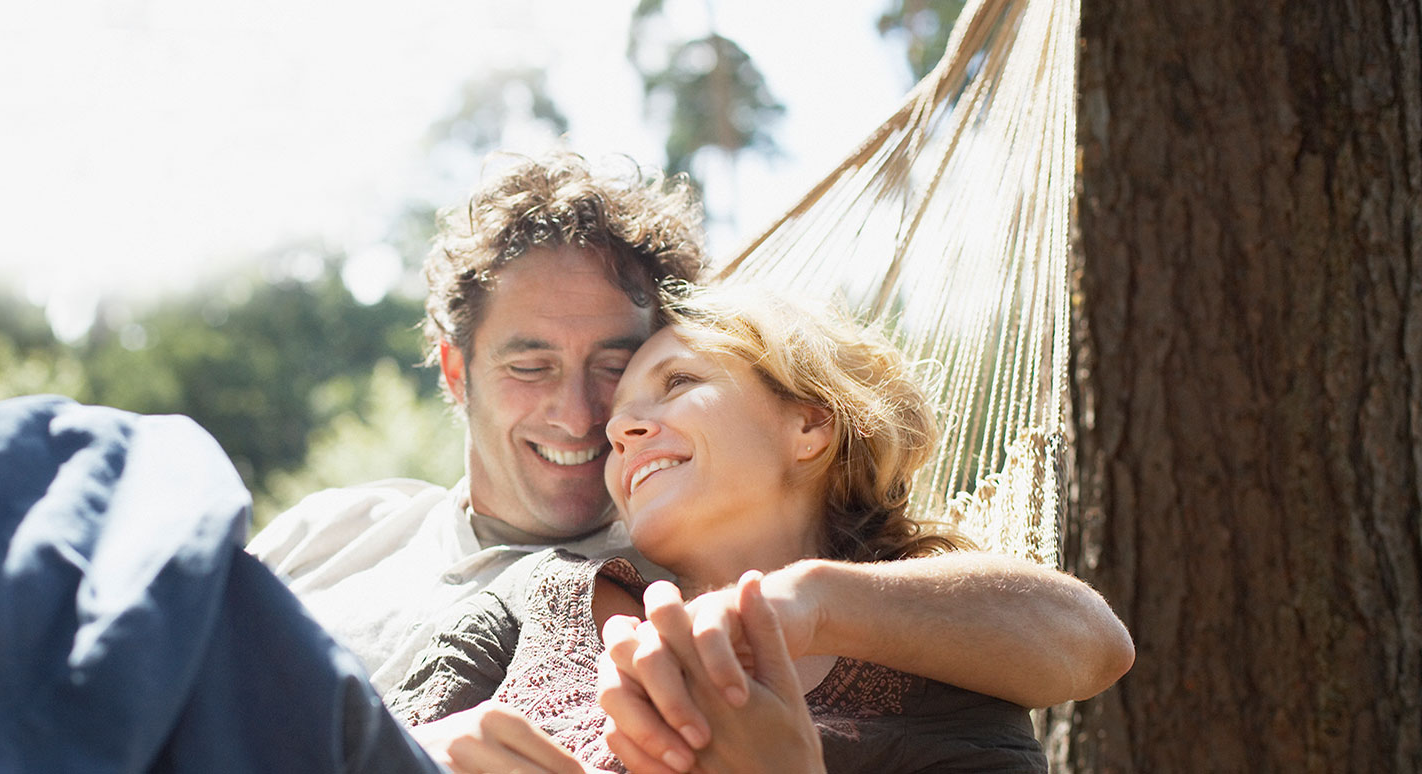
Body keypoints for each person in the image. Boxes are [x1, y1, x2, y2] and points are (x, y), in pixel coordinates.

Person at [253, 152, 1132, 769]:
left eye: (646, 375)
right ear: (456, 370)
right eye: (529, 365)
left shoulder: (931, 646)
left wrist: (805, 609)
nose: (599, 420)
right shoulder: (351, 537)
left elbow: (1086, 641)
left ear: (808, 426)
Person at [389, 285, 1067, 773]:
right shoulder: (534, 598)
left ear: (808, 424)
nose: (618, 430)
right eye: (620, 414)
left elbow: (1091, 640)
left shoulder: (946, 686)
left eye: (678, 381)